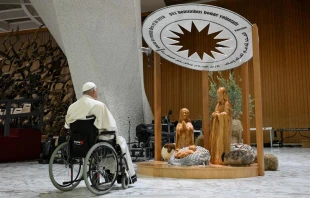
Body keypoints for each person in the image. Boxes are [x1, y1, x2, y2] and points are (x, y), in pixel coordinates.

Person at [65, 82, 137, 183]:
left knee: (104, 144)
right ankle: (127, 175)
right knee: (119, 141)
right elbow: (110, 126)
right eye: (97, 92)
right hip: (95, 142)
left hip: (78, 143)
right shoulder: (99, 105)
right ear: (94, 92)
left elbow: (67, 125)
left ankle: (110, 174)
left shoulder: (72, 107)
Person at [210, 87, 232, 165]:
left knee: (221, 143)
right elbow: (215, 112)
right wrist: (214, 114)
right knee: (216, 142)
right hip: (217, 128)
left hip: (223, 129)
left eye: (219, 95)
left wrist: (220, 115)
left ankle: (222, 159)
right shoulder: (218, 105)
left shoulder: (227, 104)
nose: (218, 97)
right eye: (217, 95)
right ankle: (215, 158)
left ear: (224, 95)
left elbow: (227, 114)